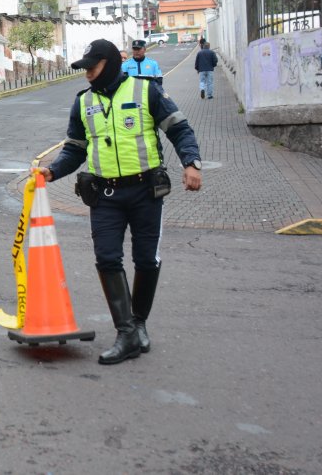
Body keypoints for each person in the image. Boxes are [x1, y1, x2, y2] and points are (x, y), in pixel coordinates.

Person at [33, 38, 202, 365]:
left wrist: (191, 163)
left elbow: (179, 129)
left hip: (145, 191)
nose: (87, 75)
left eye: (92, 68)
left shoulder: (146, 91)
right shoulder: (83, 103)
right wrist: (52, 171)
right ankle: (126, 332)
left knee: (146, 259)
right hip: (105, 195)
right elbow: (75, 149)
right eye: (84, 70)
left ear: (109, 64)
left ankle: (138, 324)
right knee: (107, 258)